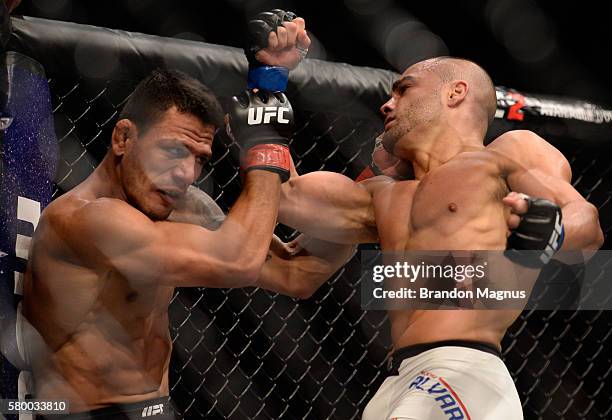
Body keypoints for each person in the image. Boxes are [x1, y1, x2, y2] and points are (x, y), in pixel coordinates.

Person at [262, 42, 603, 419]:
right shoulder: (381, 195)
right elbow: (285, 195)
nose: (386, 105)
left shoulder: (504, 154)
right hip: (396, 381)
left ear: (455, 92)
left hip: (462, 371)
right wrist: (267, 76)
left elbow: (585, 221)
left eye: (404, 89)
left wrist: (548, 231)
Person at [21, 69, 354, 419]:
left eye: (199, 159)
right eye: (173, 150)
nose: (187, 174)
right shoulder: (86, 220)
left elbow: (295, 275)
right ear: (123, 138)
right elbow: (239, 261)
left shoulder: (186, 208)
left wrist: (363, 217)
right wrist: (264, 149)